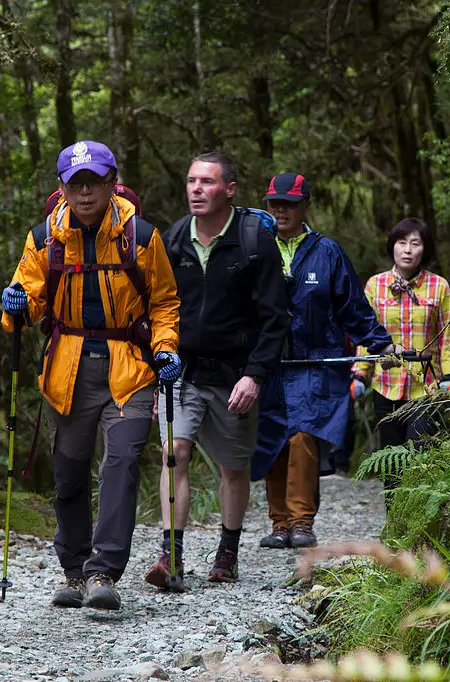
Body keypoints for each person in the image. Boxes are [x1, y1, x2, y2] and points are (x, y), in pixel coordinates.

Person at [0, 140, 181, 610]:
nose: (84, 193)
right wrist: (15, 305)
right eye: (75, 184)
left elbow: (163, 302)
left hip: (131, 367)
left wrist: (165, 349)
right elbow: (30, 296)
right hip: (68, 368)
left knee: (120, 464)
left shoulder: (140, 236)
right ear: (62, 187)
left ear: (111, 183)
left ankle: (104, 572)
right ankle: (75, 570)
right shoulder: (44, 238)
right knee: (69, 475)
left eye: (94, 183)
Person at [145, 152, 288, 586]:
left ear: (229, 189)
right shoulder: (172, 240)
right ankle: (172, 556)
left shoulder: (253, 240)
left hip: (235, 375)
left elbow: (275, 317)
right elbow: (158, 311)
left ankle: (227, 553)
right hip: (182, 371)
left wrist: (255, 374)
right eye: (191, 181)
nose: (196, 189)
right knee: (175, 454)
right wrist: (156, 374)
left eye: (206, 182)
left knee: (232, 468)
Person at [251, 173, 401, 549]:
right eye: (274, 203)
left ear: (305, 205)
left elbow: (352, 306)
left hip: (314, 363)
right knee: (273, 439)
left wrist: (379, 343)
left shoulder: (327, 251)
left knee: (302, 435)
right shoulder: (254, 247)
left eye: (288, 203)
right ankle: (279, 523)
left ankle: (302, 521)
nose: (280, 209)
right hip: (267, 364)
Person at [351, 218, 450, 504]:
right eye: (401, 242)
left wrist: (449, 377)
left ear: (425, 249)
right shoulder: (375, 286)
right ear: (392, 247)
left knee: (419, 455)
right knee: (390, 460)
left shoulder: (439, 287)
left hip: (426, 386)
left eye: (415, 243)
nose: (407, 250)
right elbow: (365, 334)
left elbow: (447, 338)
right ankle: (393, 526)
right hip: (386, 385)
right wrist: (360, 374)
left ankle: (417, 527)